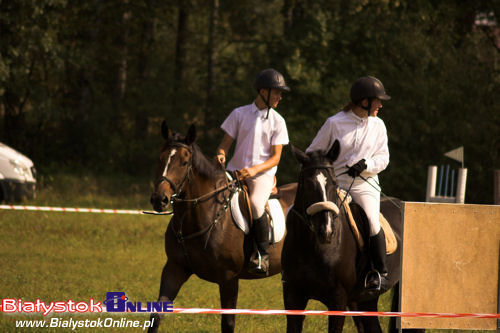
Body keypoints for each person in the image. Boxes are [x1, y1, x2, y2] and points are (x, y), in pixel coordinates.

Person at [306, 76, 391, 290]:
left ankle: (379, 272)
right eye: (377, 101)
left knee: (372, 221)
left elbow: (384, 158)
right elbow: (313, 151)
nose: (380, 105)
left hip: (364, 184)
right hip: (336, 184)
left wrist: (366, 164)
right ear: (364, 101)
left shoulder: (379, 125)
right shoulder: (334, 123)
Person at [216, 68, 290, 275]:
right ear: (263, 91)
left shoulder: (278, 121)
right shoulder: (239, 114)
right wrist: (221, 155)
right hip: (234, 172)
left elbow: (276, 158)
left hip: (261, 175)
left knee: (257, 205)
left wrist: (254, 170)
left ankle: (262, 255)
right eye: (276, 93)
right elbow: (224, 145)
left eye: (280, 93)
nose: (279, 97)